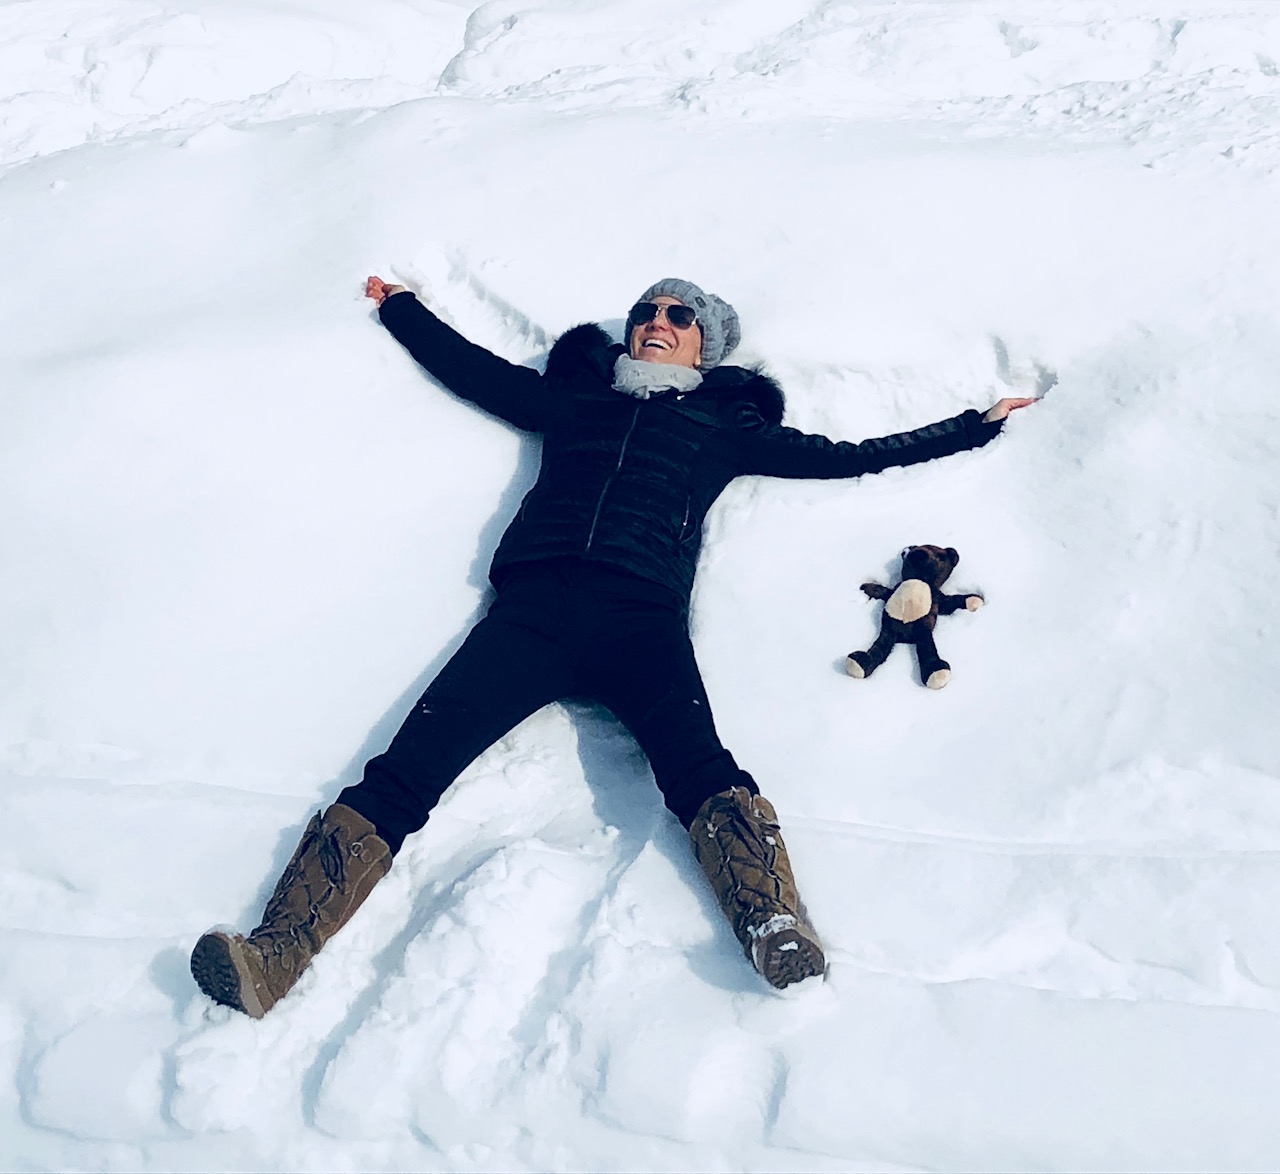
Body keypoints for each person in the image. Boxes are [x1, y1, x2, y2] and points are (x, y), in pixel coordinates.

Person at [190, 276, 1033, 1016]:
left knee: (702, 773)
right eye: (645, 311)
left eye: (678, 314)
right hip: (532, 617)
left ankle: (774, 926)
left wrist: (976, 425)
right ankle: (277, 953)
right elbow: (472, 370)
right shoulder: (576, 402)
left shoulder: (721, 425)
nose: (655, 322)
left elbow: (850, 458)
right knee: (404, 774)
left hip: (640, 623)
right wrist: (404, 309)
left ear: (709, 344)